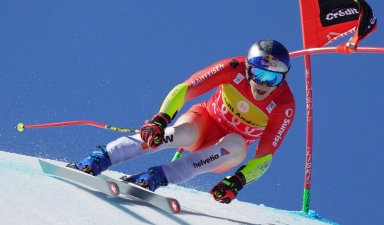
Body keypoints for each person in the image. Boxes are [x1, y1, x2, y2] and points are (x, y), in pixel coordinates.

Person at [68, 39, 296, 204]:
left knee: (237, 144)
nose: (263, 85)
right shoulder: (232, 68)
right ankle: (102, 157)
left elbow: (265, 156)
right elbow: (186, 88)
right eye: (258, 74)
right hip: (203, 122)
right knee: (181, 133)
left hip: (224, 151)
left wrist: (238, 180)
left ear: (283, 78)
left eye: (273, 78)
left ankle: (157, 177)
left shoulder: (284, 105)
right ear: (247, 69)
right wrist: (161, 118)